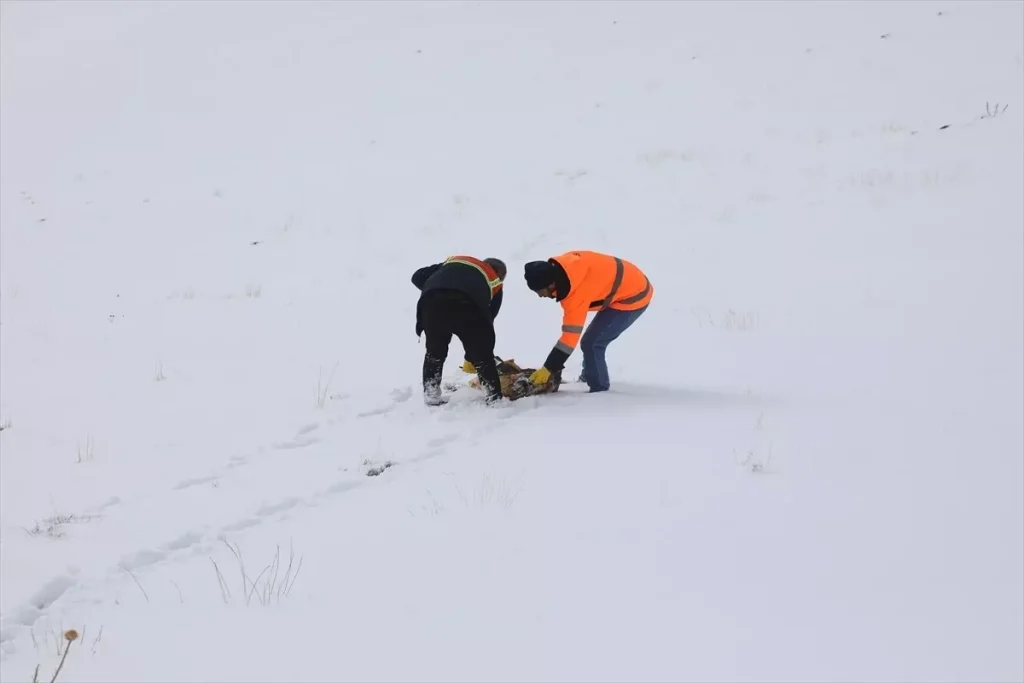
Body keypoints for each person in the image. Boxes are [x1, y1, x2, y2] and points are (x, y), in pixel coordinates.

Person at [523, 250, 653, 393]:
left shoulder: (575, 293)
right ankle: (588, 377)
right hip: (625, 282)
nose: (541, 296)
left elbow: (569, 339)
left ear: (551, 284)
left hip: (634, 296)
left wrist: (548, 368)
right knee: (591, 340)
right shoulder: (565, 267)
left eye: (540, 292)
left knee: (593, 342)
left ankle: (599, 389)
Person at [412, 255, 507, 406]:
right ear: (499, 274)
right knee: (483, 357)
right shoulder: (494, 281)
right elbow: (487, 321)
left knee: (435, 352)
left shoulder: (456, 261)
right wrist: (473, 355)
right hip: (466, 305)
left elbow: (417, 277)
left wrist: (438, 288)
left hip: (431, 303)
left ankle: (431, 394)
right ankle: (493, 398)